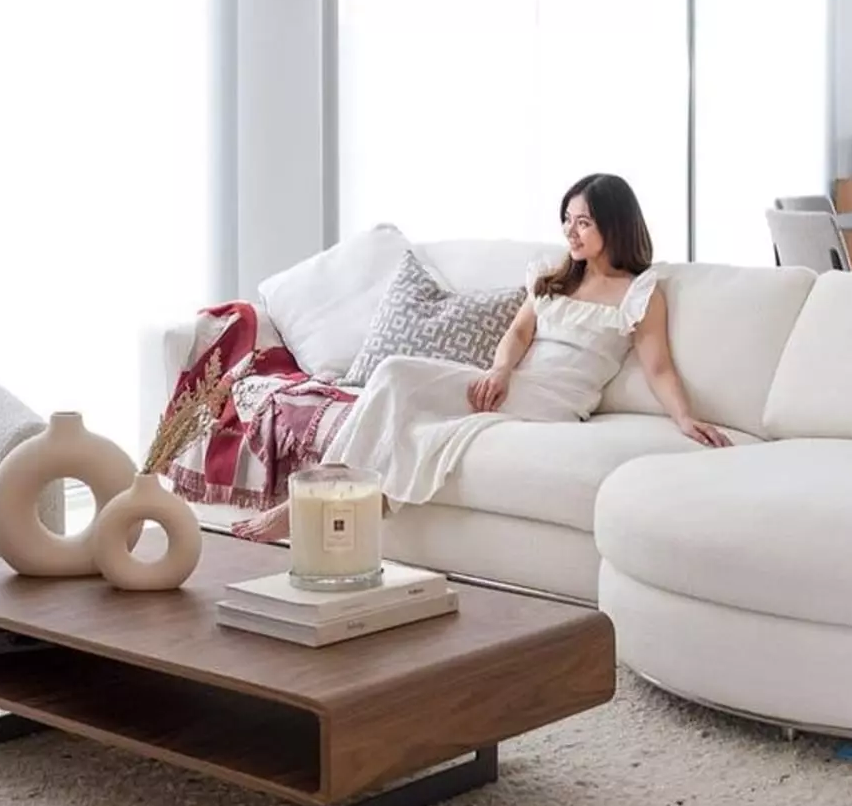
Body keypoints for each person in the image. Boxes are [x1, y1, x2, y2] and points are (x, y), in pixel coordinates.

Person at [233, 172, 728, 543]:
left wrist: (685, 418)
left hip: (555, 403)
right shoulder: (554, 277)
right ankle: (325, 499)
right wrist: (500, 368)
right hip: (514, 385)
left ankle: (311, 504)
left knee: (398, 381)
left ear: (614, 227)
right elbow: (517, 333)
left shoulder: (640, 292)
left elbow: (658, 366)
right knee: (396, 381)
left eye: (583, 222)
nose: (570, 232)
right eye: (567, 220)